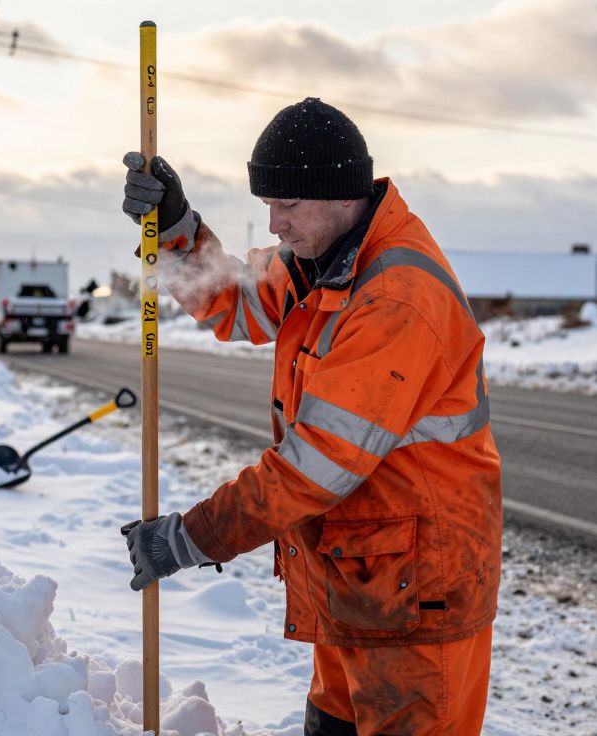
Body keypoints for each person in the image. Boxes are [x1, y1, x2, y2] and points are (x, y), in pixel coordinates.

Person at [119, 98, 503, 736]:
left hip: (417, 592)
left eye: (288, 206)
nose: (275, 225)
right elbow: (238, 305)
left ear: (339, 195)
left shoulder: (396, 300)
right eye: (268, 204)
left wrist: (189, 539)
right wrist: (175, 228)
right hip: (361, 573)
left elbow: (313, 470)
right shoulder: (323, 262)